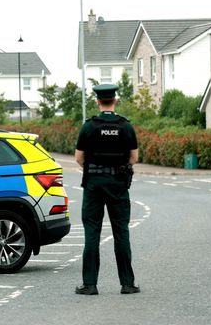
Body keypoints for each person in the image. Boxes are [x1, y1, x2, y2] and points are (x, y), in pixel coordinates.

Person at [74, 84, 140, 295]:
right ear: (115, 100)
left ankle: (90, 284)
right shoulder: (126, 126)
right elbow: (134, 157)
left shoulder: (88, 127)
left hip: (93, 184)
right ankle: (127, 284)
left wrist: (96, 170)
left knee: (92, 232)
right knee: (121, 231)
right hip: (118, 184)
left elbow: (78, 158)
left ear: (97, 101)